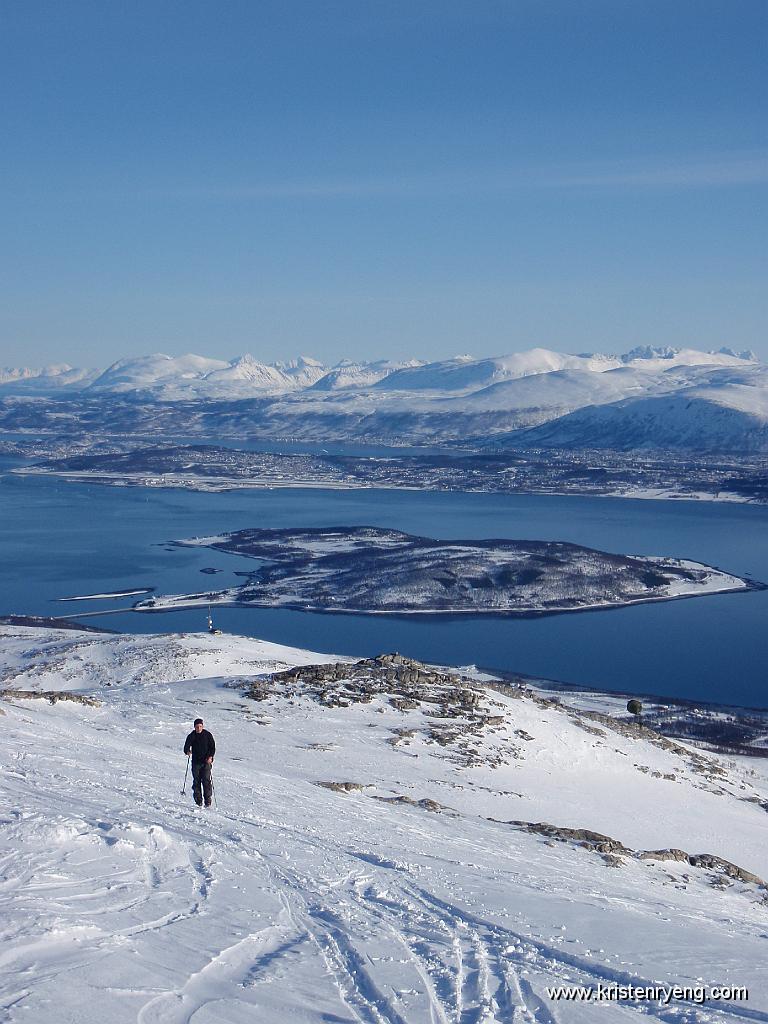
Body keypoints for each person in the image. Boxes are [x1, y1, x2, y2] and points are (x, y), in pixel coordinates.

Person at [183, 717, 215, 807]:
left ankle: (208, 801)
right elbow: (186, 746)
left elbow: (212, 747)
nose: (199, 728)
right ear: (194, 727)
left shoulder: (208, 735)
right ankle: (198, 801)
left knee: (206, 781)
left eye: (200, 726)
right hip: (196, 762)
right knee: (197, 781)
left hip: (206, 762)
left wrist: (210, 757)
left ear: (202, 726)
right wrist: (188, 752)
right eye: (197, 727)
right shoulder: (192, 736)